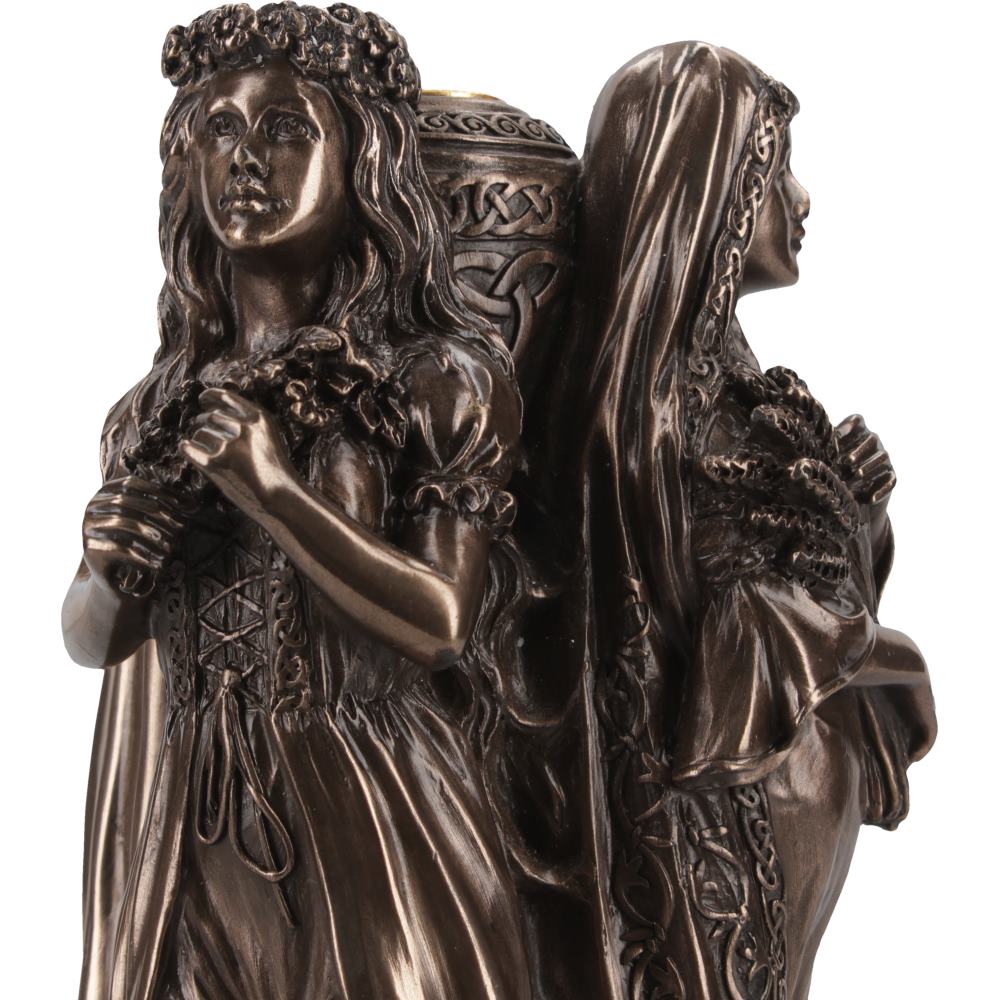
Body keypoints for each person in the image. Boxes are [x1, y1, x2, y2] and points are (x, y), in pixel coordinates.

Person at [62, 5, 531, 998]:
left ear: (364, 163)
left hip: (375, 819)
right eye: (220, 129)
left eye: (286, 130)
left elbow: (442, 620)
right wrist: (106, 571)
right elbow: (93, 639)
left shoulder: (434, 381)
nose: (246, 158)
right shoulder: (153, 409)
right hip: (189, 833)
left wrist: (275, 492)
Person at [542, 41, 938, 999]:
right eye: (776, 170)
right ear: (708, 192)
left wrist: (853, 510)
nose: (801, 199)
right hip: (722, 822)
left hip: (789, 794)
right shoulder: (646, 418)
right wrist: (883, 647)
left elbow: (800, 577)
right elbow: (731, 623)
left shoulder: (724, 380)